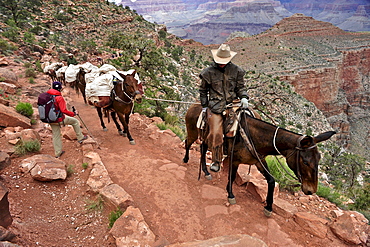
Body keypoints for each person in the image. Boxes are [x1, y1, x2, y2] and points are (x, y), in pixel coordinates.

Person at [199, 43, 249, 172]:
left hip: (233, 104)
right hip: (215, 107)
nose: (222, 64)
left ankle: (240, 154)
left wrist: (244, 97)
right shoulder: (207, 73)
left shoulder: (237, 71)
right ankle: (216, 160)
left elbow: (240, 88)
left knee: (248, 125)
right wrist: (205, 106)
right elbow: (203, 91)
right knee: (216, 133)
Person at [47, 81, 88, 158]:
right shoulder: (59, 97)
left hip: (49, 119)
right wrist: (74, 114)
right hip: (58, 119)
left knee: (56, 135)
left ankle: (58, 153)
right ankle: (80, 137)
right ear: (60, 88)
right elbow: (64, 110)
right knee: (75, 121)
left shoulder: (47, 96)